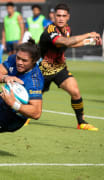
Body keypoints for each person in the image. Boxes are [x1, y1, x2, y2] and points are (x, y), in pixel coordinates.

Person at [38, 3, 102, 131]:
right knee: (34, 97)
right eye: (58, 16)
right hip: (42, 71)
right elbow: (66, 42)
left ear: (68, 17)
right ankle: (22, 115)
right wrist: (88, 34)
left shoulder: (67, 29)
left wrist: (92, 41)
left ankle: (81, 122)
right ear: (53, 17)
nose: (61, 18)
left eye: (63, 16)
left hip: (60, 69)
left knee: (75, 92)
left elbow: (70, 44)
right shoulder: (50, 31)